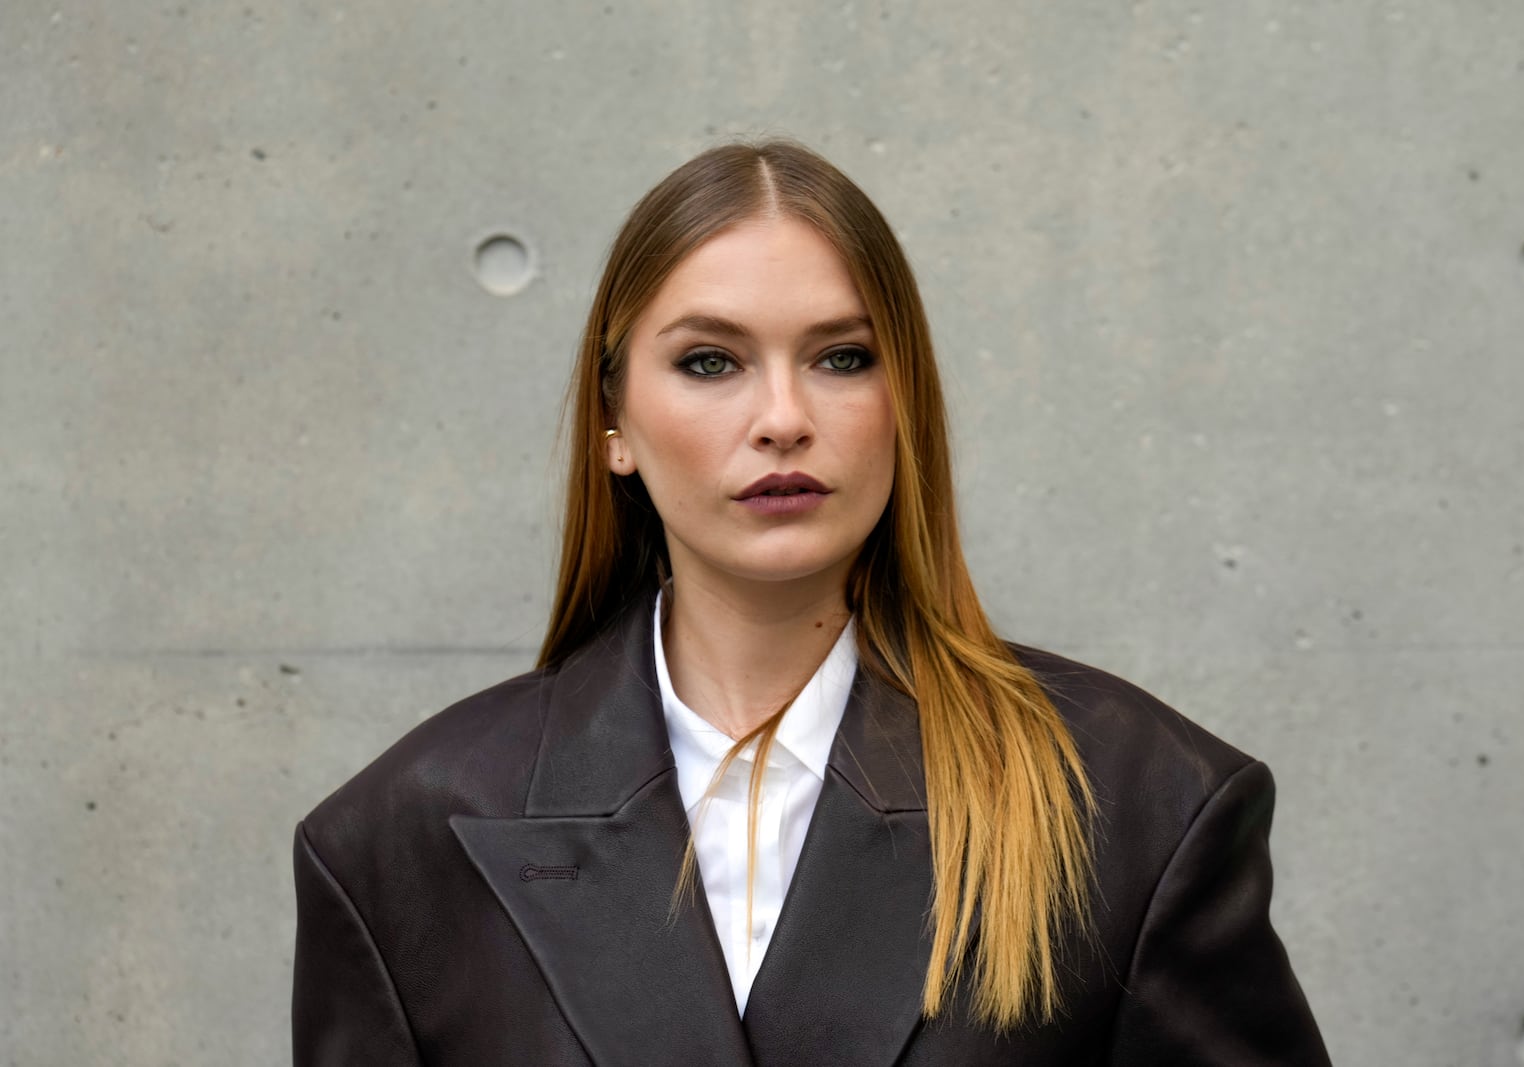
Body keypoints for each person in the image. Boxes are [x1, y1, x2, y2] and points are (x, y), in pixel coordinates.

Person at [292, 141, 1332, 1066]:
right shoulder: (400, 839)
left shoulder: (1134, 803)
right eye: (710, 361)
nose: (783, 418)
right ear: (615, 422)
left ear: (903, 399)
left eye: (842, 357)